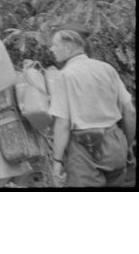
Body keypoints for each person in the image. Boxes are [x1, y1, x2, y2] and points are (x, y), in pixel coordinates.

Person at [48, 28, 136, 187]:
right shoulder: (107, 68)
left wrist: (57, 161)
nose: (51, 49)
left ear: (68, 48)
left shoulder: (65, 76)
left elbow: (62, 124)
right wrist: (127, 144)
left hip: (84, 149)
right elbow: (130, 111)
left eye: (54, 45)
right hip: (115, 142)